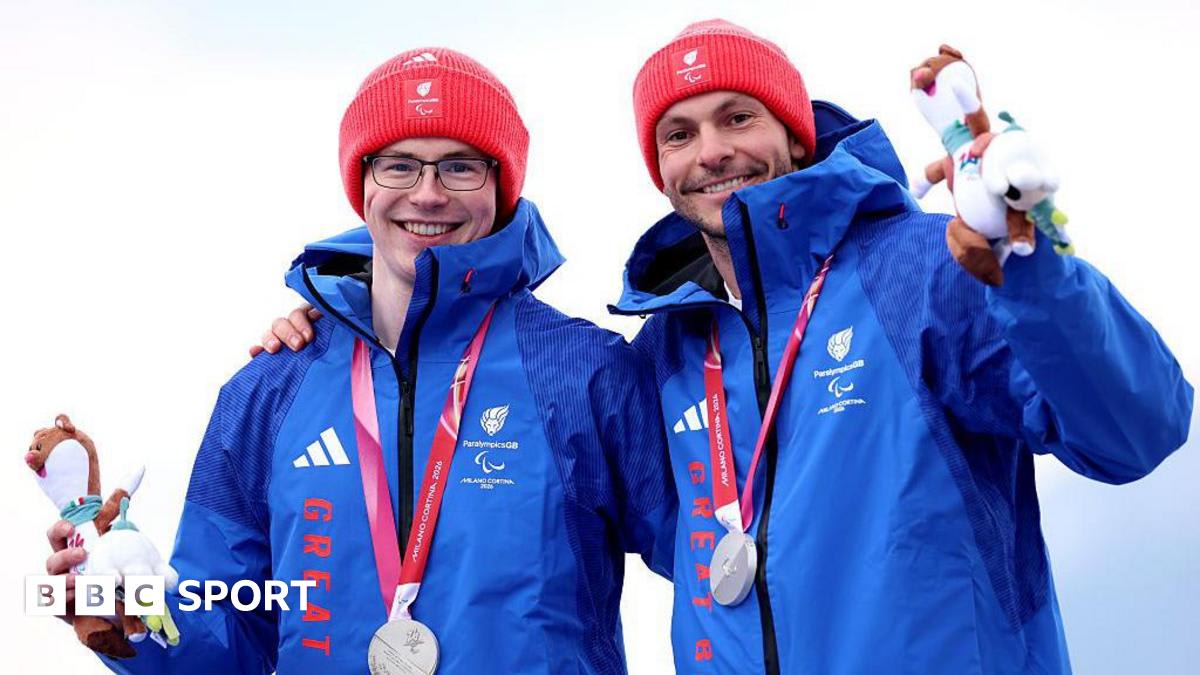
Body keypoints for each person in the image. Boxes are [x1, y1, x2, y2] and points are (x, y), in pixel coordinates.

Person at [260, 20, 1194, 674]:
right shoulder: (670, 349)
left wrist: (1036, 261)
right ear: (656, 164)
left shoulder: (924, 267)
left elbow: (1137, 428)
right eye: (679, 132)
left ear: (791, 129)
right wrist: (328, 339)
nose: (712, 151)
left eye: (737, 117)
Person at [44, 47, 674, 674]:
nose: (426, 195)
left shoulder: (587, 371)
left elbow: (723, 561)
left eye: (460, 166)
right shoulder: (269, 389)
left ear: (502, 185)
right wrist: (131, 614)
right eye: (398, 165)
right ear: (362, 182)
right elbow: (226, 639)